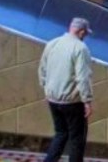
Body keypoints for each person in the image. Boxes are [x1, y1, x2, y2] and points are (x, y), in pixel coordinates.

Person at [38, 17, 93, 162]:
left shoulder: (52, 44)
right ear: (81, 32)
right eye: (85, 34)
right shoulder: (80, 48)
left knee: (61, 133)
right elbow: (82, 77)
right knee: (77, 139)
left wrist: (47, 90)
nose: (85, 37)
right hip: (72, 102)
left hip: (52, 100)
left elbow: (42, 70)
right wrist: (87, 101)